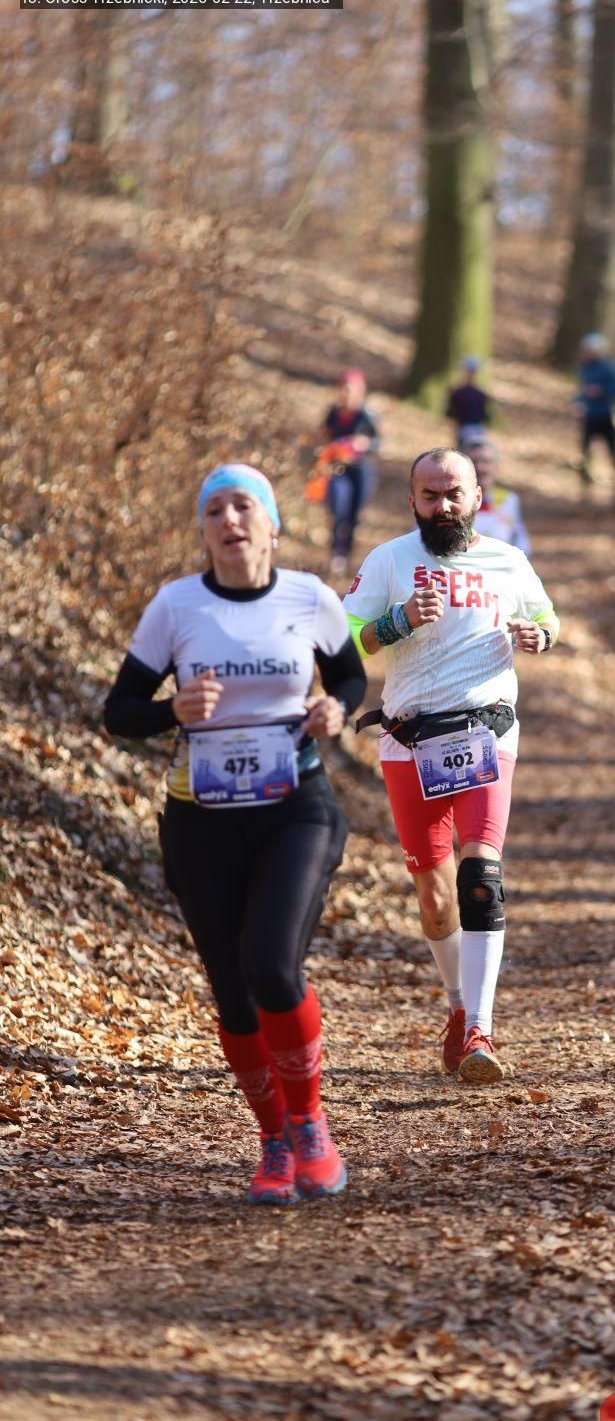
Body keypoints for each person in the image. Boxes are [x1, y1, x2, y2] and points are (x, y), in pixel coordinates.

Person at [103, 464, 366, 1206]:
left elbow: (349, 678)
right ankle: (273, 1139)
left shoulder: (308, 597)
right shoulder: (176, 606)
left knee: (271, 966)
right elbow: (119, 711)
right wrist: (173, 710)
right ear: (204, 530)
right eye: (214, 509)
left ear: (271, 524)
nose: (229, 519)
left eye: (243, 506)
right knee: (233, 994)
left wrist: (336, 711)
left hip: (294, 809)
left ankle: (309, 1124)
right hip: (201, 821)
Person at [343, 448, 558, 1085]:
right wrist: (397, 621)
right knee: (436, 902)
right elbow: (345, 638)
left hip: (487, 733)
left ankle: (481, 1030)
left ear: (476, 498)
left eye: (454, 493)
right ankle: (459, 1007)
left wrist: (540, 636)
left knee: (481, 875)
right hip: (410, 742)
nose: (443, 506)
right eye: (431, 495)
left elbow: (546, 617)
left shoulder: (508, 560)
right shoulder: (388, 561)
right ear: (412, 500)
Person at [316, 369, 379, 577]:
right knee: (338, 508)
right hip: (338, 469)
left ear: (360, 391)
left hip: (360, 470)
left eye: (350, 390)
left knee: (353, 513)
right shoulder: (333, 413)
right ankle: (336, 552)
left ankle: (347, 553)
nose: (346, 393)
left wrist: (363, 444)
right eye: (343, 388)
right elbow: (323, 436)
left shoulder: (366, 415)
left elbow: (377, 443)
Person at [573, 333, 615, 510]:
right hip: (589, 417)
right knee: (585, 455)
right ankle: (586, 493)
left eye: (591, 350)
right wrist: (577, 403)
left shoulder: (608, 368)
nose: (588, 353)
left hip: (606, 416)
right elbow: (581, 391)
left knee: (613, 454)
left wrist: (601, 391)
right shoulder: (583, 368)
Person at [464, 439, 532, 554]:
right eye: (474, 462)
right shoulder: (453, 501)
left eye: (486, 461)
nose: (480, 468)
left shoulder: (509, 499)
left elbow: (520, 540)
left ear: (497, 466)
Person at [445, 357, 492, 449]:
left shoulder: (480, 393)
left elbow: (484, 414)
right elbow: (452, 412)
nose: (471, 374)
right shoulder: (458, 392)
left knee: (476, 450)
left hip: (477, 427)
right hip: (463, 427)